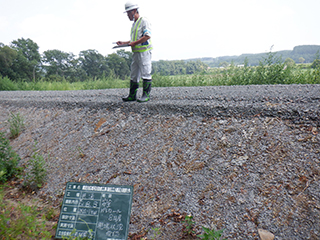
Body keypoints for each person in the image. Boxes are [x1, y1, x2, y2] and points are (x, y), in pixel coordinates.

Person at [117, 2, 153, 102]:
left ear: (134, 11)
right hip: (136, 53)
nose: (128, 15)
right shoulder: (134, 24)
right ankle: (132, 95)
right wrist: (123, 43)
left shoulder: (144, 21)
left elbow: (147, 36)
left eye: (128, 13)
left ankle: (146, 95)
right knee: (134, 75)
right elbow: (134, 40)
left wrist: (134, 43)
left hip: (144, 52)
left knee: (146, 73)